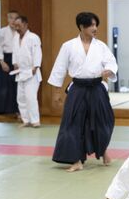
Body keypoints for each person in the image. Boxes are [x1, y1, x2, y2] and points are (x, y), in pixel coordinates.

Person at [48, 12, 117, 172]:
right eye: (91, 25)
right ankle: (76, 160)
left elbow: (111, 62)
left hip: (97, 88)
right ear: (81, 27)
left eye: (96, 25)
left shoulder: (100, 46)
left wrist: (109, 70)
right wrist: (57, 93)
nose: (95, 28)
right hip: (78, 89)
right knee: (73, 124)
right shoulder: (68, 46)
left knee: (103, 121)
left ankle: (103, 150)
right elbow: (59, 69)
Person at [12, 15, 42, 127]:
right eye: (15, 26)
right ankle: (26, 120)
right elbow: (15, 52)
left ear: (25, 25)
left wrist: (36, 66)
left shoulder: (33, 37)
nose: (17, 28)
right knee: (21, 98)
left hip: (31, 72)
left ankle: (35, 121)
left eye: (19, 25)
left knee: (31, 98)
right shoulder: (15, 37)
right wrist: (14, 62)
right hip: (20, 71)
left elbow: (37, 52)